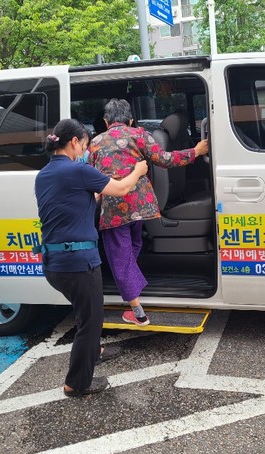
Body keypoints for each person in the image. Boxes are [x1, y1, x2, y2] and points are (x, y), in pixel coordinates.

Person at [34, 119, 148, 397]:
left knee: (85, 314)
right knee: (91, 321)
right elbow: (122, 189)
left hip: (54, 264)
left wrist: (96, 192)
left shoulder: (45, 174)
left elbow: (77, 201)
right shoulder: (78, 170)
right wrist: (138, 170)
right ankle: (77, 383)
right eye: (84, 145)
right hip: (78, 263)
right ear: (74, 142)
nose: (85, 150)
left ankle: (93, 350)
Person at [89, 99, 209, 326]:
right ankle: (133, 292)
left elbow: (88, 173)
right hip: (141, 205)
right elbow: (165, 160)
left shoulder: (95, 142)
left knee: (119, 256)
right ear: (131, 120)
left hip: (114, 208)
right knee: (133, 245)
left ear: (106, 122)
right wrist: (196, 151)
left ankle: (137, 310)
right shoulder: (140, 135)